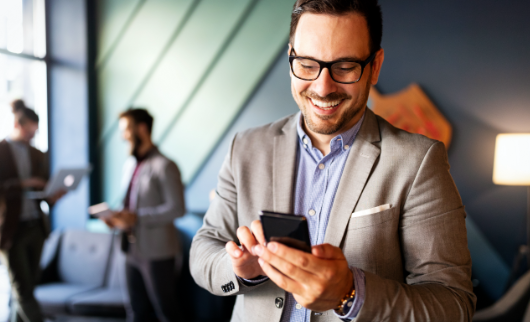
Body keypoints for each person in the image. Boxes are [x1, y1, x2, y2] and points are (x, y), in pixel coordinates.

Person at [189, 0, 476, 321]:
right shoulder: (245, 147)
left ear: (375, 66)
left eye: (345, 66)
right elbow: (204, 248)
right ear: (290, 58)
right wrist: (241, 269)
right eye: (308, 64)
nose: (323, 88)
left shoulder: (418, 160)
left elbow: (453, 304)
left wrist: (349, 293)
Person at [0, 99, 65, 322]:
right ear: (17, 125)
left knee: (27, 288)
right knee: (22, 289)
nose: (32, 136)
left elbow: (42, 193)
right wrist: (21, 183)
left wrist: (53, 196)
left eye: (35, 132)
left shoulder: (37, 154)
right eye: (29, 131)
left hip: (36, 227)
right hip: (9, 230)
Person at [102, 108, 185, 322]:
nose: (123, 136)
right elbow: (127, 203)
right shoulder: (130, 165)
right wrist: (116, 218)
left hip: (158, 252)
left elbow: (177, 208)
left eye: (126, 129)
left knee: (167, 312)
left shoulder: (166, 165)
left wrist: (136, 217)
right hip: (130, 248)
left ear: (142, 128)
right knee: (136, 312)